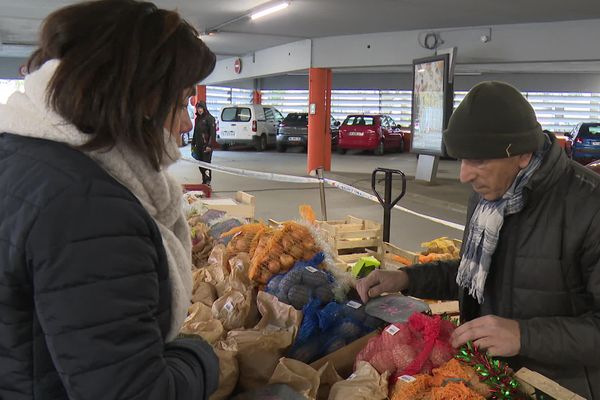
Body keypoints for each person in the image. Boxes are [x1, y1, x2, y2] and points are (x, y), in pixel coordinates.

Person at [0, 1, 220, 399]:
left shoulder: (20, 154)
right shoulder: (90, 207)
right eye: (184, 99)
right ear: (145, 95)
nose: (188, 121)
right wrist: (202, 355)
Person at [357, 81, 600, 398]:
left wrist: (523, 336)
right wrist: (405, 278)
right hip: (488, 379)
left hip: (557, 389)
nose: (463, 175)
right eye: (461, 159)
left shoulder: (589, 206)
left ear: (522, 154)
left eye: (478, 160)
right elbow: (476, 274)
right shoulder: (489, 196)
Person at [192, 100, 216, 185]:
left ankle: (208, 181)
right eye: (198, 108)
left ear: (204, 108)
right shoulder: (197, 119)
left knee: (206, 165)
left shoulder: (210, 118)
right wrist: (192, 144)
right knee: (200, 164)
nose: (199, 110)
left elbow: (213, 133)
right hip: (198, 146)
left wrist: (209, 145)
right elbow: (195, 132)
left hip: (206, 147)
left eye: (201, 108)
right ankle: (204, 179)